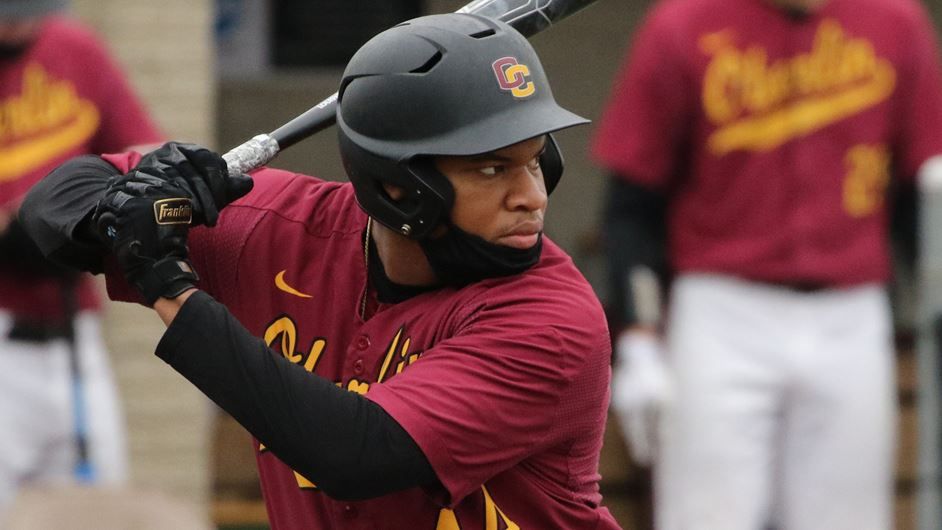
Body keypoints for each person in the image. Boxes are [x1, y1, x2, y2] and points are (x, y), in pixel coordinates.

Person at [20, 13, 621, 529]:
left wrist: (165, 280)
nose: (532, 197)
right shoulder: (283, 228)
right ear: (399, 187)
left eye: (535, 161)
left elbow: (352, 454)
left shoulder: (551, 320)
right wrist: (130, 208)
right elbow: (56, 199)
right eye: (492, 169)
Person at [591, 0, 942, 528]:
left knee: (847, 520)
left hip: (851, 309)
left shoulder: (895, 20)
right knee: (706, 516)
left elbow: (924, 191)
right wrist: (640, 331)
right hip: (722, 308)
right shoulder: (685, 22)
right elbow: (633, 200)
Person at [0, 0, 162, 517]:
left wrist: (99, 212)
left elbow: (144, 155)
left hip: (74, 331)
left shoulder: (75, 49)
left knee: (99, 509)